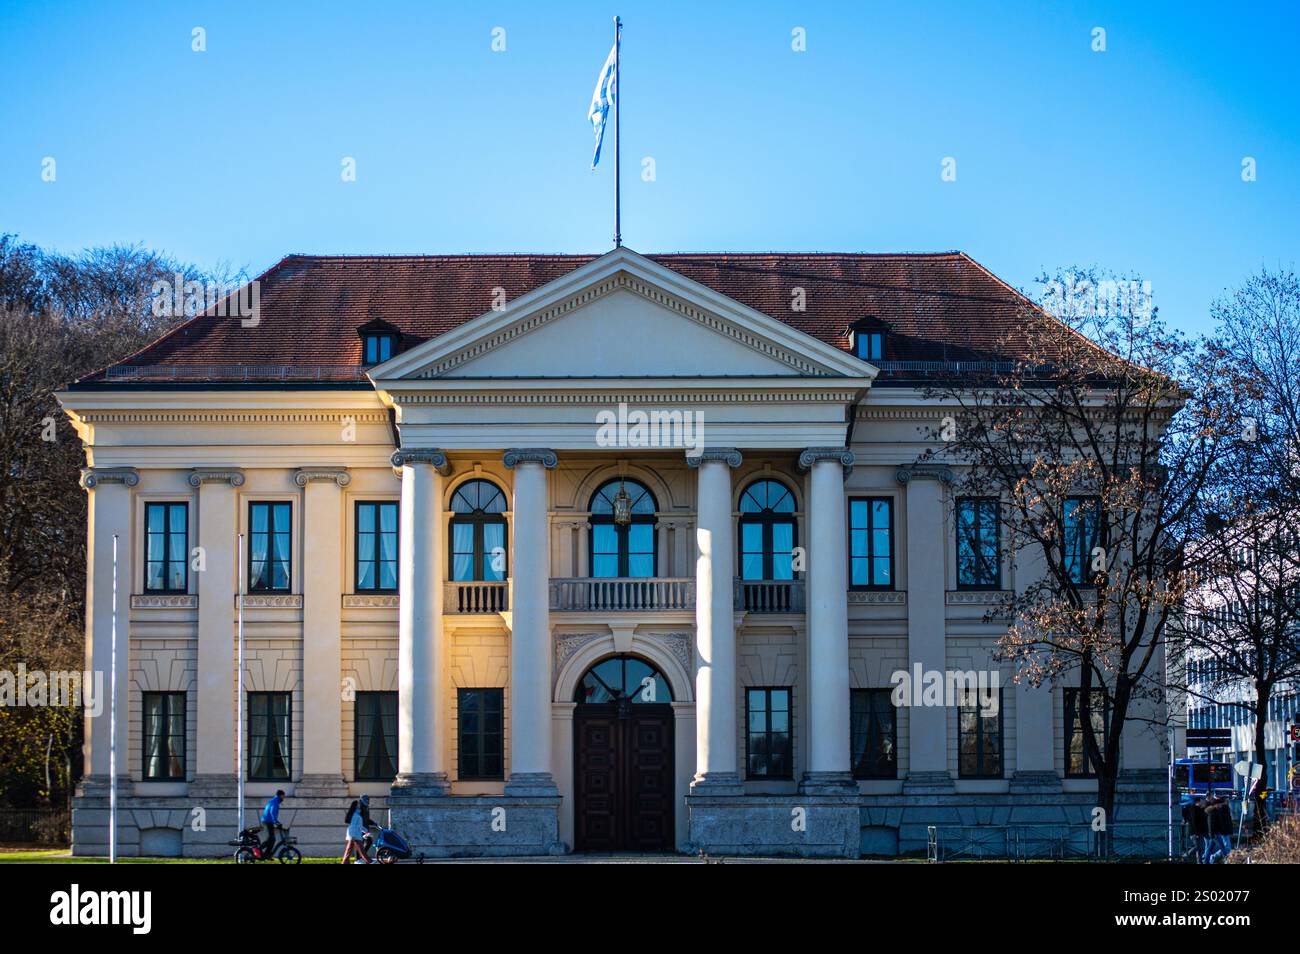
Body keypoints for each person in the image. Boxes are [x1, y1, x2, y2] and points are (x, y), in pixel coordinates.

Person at [342, 793, 373, 864]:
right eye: (358, 804)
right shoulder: (355, 815)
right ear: (355, 807)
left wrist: (365, 831)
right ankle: (369, 861)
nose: (360, 805)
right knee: (361, 849)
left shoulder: (358, 814)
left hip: (354, 834)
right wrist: (364, 832)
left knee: (349, 849)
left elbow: (360, 826)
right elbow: (355, 826)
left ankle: (345, 862)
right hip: (354, 834)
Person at [1204, 791, 1233, 863]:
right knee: (1225, 847)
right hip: (1220, 831)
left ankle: (1208, 859)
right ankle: (1224, 859)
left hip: (1221, 830)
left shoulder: (1222, 808)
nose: (1228, 801)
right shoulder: (1216, 809)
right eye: (1227, 800)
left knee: (1212, 846)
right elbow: (1214, 821)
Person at [261, 789, 286, 858]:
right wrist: (276, 822)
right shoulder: (275, 802)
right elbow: (273, 812)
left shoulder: (273, 800)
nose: (284, 798)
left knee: (271, 839)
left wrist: (275, 822)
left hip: (267, 821)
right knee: (272, 839)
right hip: (268, 821)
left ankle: (265, 853)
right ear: (280, 795)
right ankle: (264, 852)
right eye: (283, 796)